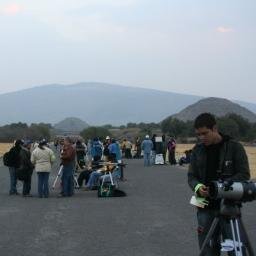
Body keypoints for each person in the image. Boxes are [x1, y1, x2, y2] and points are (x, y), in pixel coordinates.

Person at [187, 113, 250, 256]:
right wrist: (197, 187)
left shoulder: (235, 147)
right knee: (207, 249)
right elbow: (192, 176)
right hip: (203, 206)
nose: (201, 137)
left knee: (236, 248)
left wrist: (220, 187)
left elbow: (244, 174)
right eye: (198, 134)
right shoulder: (198, 149)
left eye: (204, 133)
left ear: (215, 128)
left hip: (229, 206)